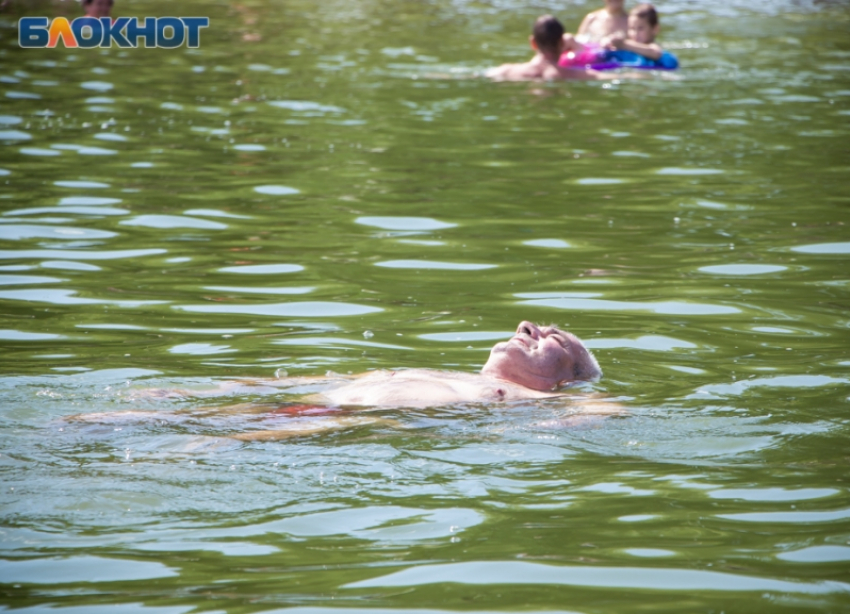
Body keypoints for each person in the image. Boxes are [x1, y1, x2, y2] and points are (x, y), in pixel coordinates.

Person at [68, 322, 614, 439]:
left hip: (340, 424)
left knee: (203, 444)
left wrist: (595, 390)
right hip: (312, 402)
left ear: (559, 380)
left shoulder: (529, 403)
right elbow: (304, 377)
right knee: (114, 421)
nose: (526, 326)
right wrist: (199, 391)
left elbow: (605, 414)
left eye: (552, 339)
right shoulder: (436, 369)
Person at [487, 15, 623, 82]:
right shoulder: (573, 74)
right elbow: (619, 77)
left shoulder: (506, 71)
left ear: (533, 43)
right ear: (562, 43)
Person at [560, 4, 678, 70]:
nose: (635, 33)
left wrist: (624, 44)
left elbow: (656, 53)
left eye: (640, 29)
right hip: (603, 53)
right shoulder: (592, 18)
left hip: (632, 65)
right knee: (569, 39)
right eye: (632, 29)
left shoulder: (651, 46)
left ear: (655, 29)